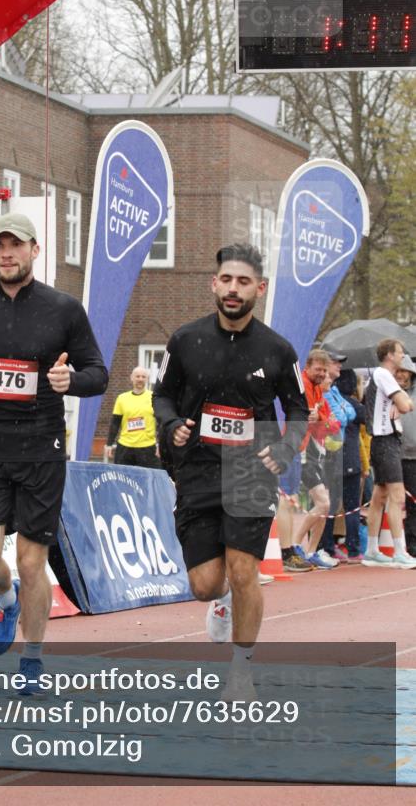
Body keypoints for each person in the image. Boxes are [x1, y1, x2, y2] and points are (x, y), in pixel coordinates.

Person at [0, 211, 108, 689]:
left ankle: (32, 659)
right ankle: (6, 599)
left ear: (35, 251)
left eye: (16, 245)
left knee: (33, 561)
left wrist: (70, 380)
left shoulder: (63, 309)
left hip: (42, 450)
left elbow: (99, 373)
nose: (7, 253)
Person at [152, 243, 308, 699]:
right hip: (198, 469)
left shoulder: (278, 349)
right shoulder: (184, 340)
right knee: (205, 585)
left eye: (243, 282)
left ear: (259, 289)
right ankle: (220, 603)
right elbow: (163, 395)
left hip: (251, 471)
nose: (234, 289)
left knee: (244, 572)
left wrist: (285, 448)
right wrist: (172, 423)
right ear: (214, 284)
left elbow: (298, 409)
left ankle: (241, 671)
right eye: (226, 280)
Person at [362, 339, 416, 568]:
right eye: (400, 353)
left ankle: (372, 550)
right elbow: (405, 406)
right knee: (397, 496)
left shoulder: (385, 378)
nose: (403, 356)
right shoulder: (383, 374)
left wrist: (403, 401)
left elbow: (403, 404)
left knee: (379, 498)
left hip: (386, 441)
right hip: (385, 442)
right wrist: (403, 401)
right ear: (389, 355)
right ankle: (399, 550)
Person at [290, 350, 340, 569]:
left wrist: (319, 417)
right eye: (319, 370)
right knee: (322, 502)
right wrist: (317, 419)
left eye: (325, 371)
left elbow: (333, 425)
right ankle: (293, 546)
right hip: (300, 452)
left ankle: (310, 551)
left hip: (316, 453)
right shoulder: (301, 385)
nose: (323, 375)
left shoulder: (319, 391)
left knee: (324, 505)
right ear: (307, 367)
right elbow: (307, 418)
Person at [328, 367, 367, 563]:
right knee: (352, 506)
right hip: (351, 459)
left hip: (332, 458)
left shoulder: (329, 400)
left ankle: (326, 546)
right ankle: (353, 548)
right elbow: (367, 419)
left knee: (330, 505)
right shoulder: (353, 405)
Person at [104, 366, 161, 468]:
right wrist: (109, 444)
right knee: (122, 480)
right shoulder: (122, 398)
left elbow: (161, 423)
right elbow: (115, 423)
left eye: (143, 377)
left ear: (147, 379)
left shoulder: (154, 397)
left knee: (148, 482)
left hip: (147, 448)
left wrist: (161, 444)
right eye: (137, 376)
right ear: (131, 378)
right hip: (125, 448)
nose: (140, 379)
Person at [396, 354, 416, 558]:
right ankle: (402, 544)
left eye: (404, 371)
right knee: (393, 501)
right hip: (395, 453)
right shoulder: (389, 391)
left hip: (414, 455)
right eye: (398, 371)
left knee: (413, 502)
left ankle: (411, 542)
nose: (401, 375)